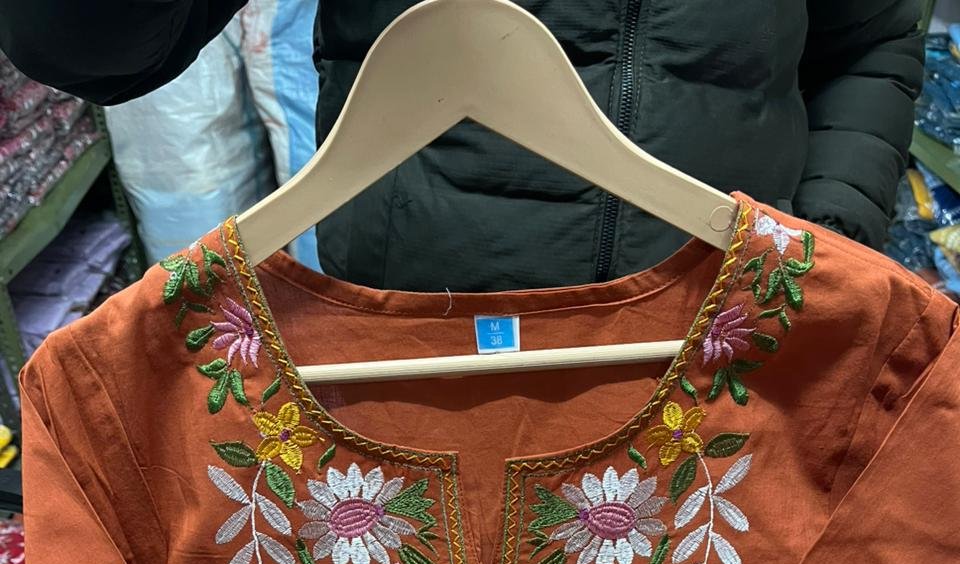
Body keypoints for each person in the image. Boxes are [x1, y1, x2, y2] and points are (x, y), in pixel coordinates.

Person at [0, 1, 923, 289]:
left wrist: (828, 239)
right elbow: (83, 39)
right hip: (416, 343)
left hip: (733, 314)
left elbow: (868, 38)